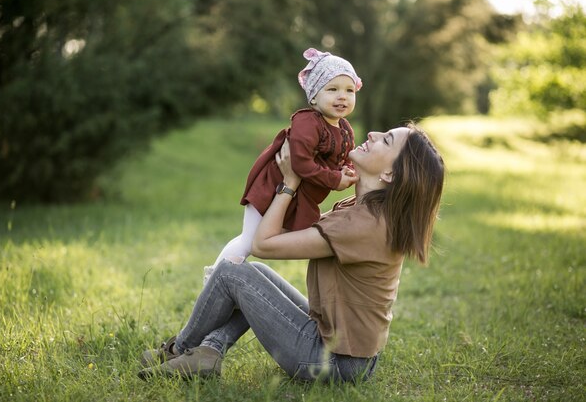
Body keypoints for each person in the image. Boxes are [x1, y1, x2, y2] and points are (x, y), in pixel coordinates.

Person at [138, 123, 445, 383]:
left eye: (386, 140)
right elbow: (288, 237)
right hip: (345, 352)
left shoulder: (363, 225)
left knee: (233, 274)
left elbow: (264, 244)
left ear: (390, 174)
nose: (375, 134)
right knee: (253, 275)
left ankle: (178, 349)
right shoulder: (365, 212)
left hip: (333, 361)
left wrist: (290, 182)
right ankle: (209, 352)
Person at [202, 48, 362, 284]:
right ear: (314, 97)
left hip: (298, 195)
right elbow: (300, 163)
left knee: (281, 237)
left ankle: (230, 281)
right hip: (271, 185)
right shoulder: (307, 122)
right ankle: (216, 278)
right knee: (249, 239)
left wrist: (346, 169)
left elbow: (344, 156)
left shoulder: (345, 128)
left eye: (349, 90)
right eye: (332, 89)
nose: (342, 96)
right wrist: (334, 180)